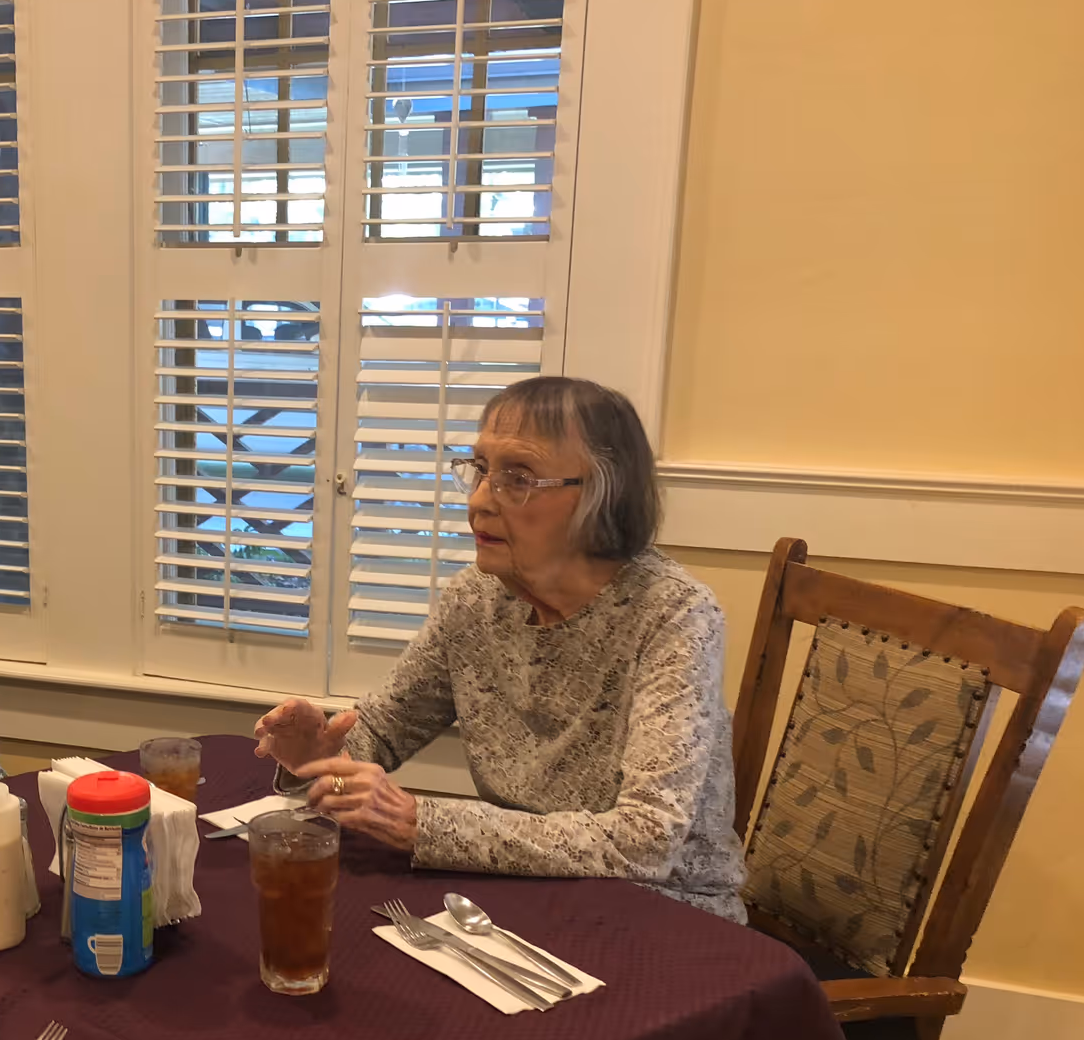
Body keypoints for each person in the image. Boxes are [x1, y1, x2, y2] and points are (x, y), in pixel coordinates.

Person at [255, 375, 746, 924]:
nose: (480, 499)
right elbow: (382, 731)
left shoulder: (674, 615)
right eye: (482, 469)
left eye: (520, 477)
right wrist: (319, 757)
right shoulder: (476, 598)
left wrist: (421, 822)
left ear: (603, 496)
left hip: (667, 917)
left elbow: (646, 842)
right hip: (524, 893)